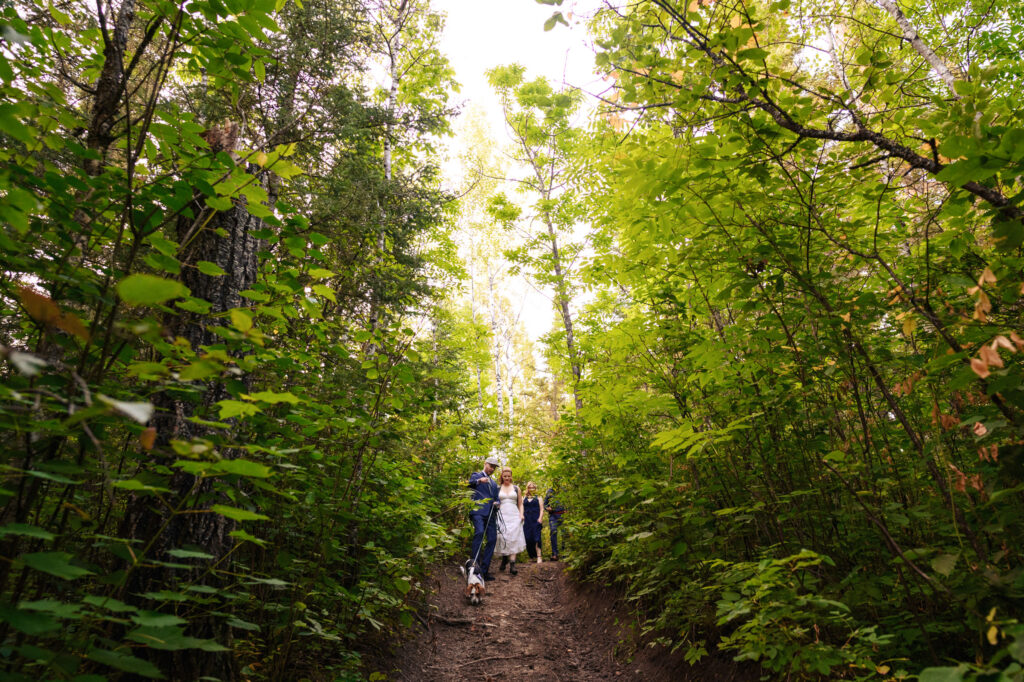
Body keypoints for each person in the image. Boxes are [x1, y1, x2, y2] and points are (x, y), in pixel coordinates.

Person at [468, 456, 500, 580]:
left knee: (492, 539)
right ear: (485, 464)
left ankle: (484, 571)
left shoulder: (494, 483)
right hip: (477, 511)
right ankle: (474, 567)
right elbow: (468, 485)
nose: (492, 469)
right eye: (490, 466)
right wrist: (479, 481)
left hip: (491, 514)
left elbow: (496, 498)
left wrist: (497, 503)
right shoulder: (476, 475)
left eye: (494, 467)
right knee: (479, 532)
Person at [493, 467, 527, 575]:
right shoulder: (498, 489)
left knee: (513, 538)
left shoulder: (516, 488)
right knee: (502, 537)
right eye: (505, 476)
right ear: (502, 477)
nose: (507, 478)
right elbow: (494, 502)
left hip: (514, 515)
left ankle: (512, 564)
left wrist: (521, 514)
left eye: (508, 476)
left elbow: (520, 503)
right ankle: (504, 559)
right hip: (501, 515)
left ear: (511, 476)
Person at [522, 481, 544, 564]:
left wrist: (540, 518)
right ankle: (531, 556)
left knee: (537, 538)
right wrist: (522, 517)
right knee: (527, 539)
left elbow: (542, 509)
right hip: (527, 521)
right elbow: (521, 508)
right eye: (530, 487)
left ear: (535, 488)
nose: (531, 489)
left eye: (533, 487)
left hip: (536, 520)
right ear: (527, 488)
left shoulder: (539, 498)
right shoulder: (524, 498)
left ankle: (539, 556)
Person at [544, 484, 566, 561]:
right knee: (553, 531)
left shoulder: (564, 489)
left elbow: (569, 502)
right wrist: (547, 508)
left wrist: (568, 509)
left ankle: (565, 553)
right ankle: (555, 554)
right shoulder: (550, 491)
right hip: (553, 515)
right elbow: (545, 504)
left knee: (565, 533)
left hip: (563, 515)